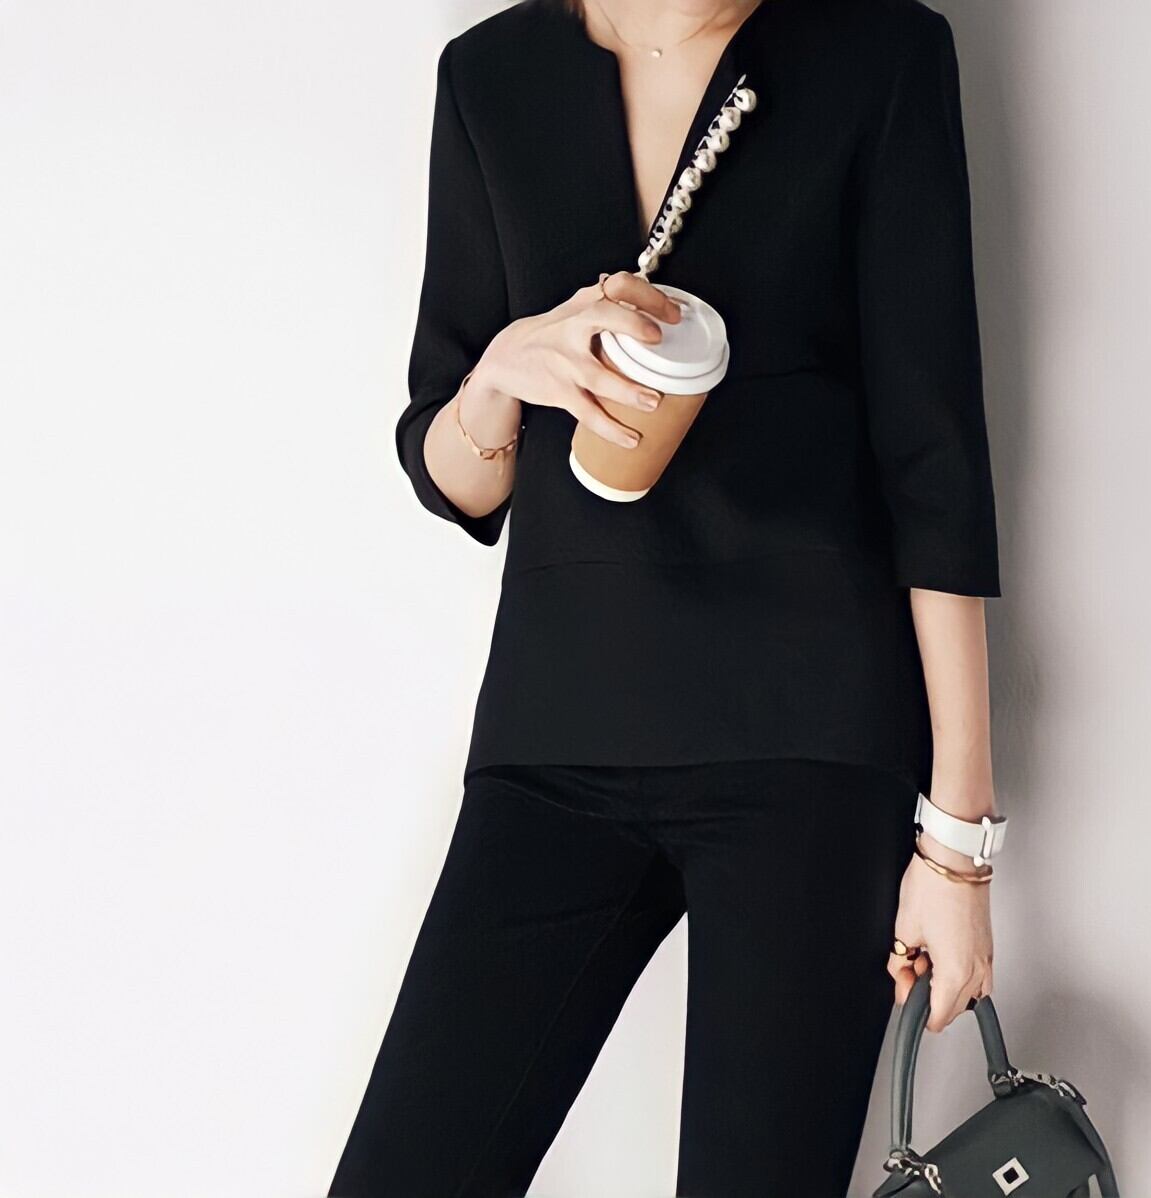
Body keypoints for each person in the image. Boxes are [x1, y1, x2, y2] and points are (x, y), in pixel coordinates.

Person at [328, 0, 1006, 1194]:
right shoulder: (491, 76)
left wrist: (957, 847)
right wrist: (502, 370)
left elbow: (933, 461)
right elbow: (454, 477)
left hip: (808, 745)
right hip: (556, 734)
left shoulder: (878, 53)